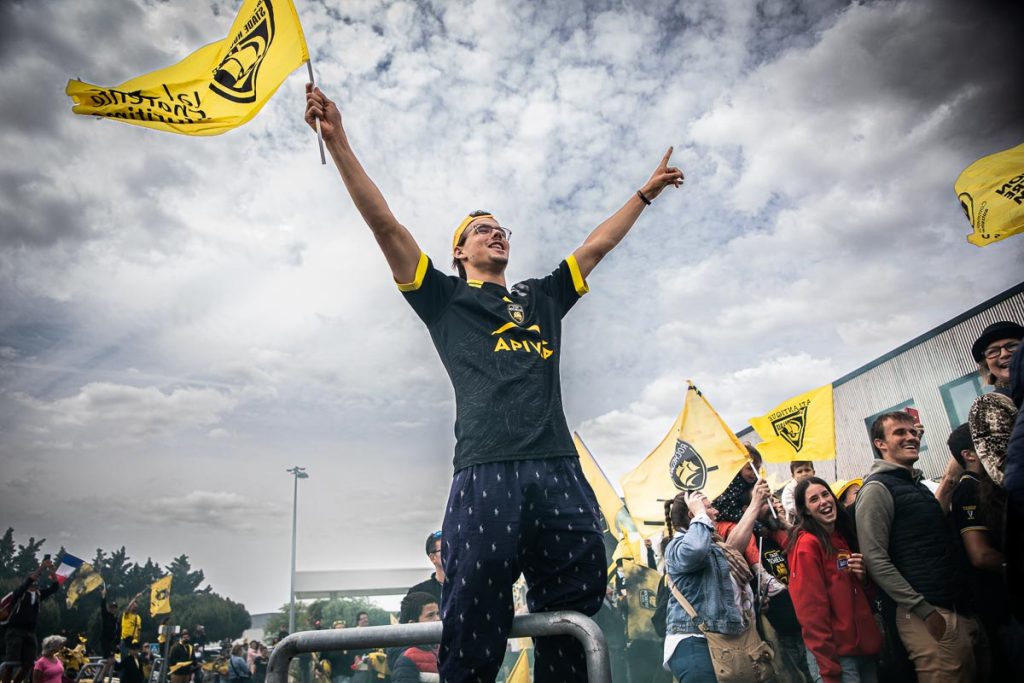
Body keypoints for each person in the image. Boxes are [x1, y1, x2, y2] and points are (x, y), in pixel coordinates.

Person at [304, 84, 683, 683]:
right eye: (481, 229)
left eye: (500, 227)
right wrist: (339, 141)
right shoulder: (443, 298)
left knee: (576, 606)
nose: (495, 232)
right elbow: (385, 225)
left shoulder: (542, 296)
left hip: (556, 465)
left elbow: (597, 246)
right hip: (485, 470)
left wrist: (644, 193)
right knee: (475, 616)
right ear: (459, 250)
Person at [856, 411, 987, 682]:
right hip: (927, 615)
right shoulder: (877, 489)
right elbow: (875, 558)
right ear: (880, 444)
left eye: (913, 432)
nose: (911, 437)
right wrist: (924, 611)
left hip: (956, 608)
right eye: (900, 433)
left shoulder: (915, 486)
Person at [661, 482, 771, 681]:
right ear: (692, 515)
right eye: (709, 507)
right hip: (696, 644)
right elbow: (695, 550)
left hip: (721, 643)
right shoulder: (677, 546)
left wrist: (751, 602)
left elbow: (731, 550)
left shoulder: (714, 547)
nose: (716, 511)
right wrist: (700, 513)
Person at [946, 423, 1024, 678]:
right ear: (969, 454)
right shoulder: (969, 489)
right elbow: (980, 555)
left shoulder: (993, 483)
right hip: (1004, 610)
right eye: (985, 442)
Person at [789, 476, 882, 682]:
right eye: (813, 499)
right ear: (804, 510)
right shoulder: (807, 545)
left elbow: (858, 596)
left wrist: (863, 579)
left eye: (825, 494)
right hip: (837, 657)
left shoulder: (841, 538)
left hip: (863, 650)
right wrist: (828, 669)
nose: (823, 501)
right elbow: (811, 612)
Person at [968, 321, 1022, 486]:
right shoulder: (987, 405)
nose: (1004, 354)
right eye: (993, 351)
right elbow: (1005, 472)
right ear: (987, 364)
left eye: (1012, 346)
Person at [1, 558, 59, 683]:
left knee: (30, 662)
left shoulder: (38, 595)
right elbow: (28, 581)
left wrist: (52, 571)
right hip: (15, 630)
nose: (35, 581)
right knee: (10, 663)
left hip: (30, 632)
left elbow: (54, 588)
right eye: (34, 579)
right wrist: (42, 568)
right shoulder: (19, 593)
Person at [386, 592, 440, 683]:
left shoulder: (439, 647)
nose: (438, 619)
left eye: (438, 613)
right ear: (412, 625)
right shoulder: (407, 658)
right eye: (430, 615)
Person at [407, 531, 443, 604]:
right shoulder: (417, 593)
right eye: (446, 549)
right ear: (433, 558)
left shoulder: (469, 586)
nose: (453, 552)